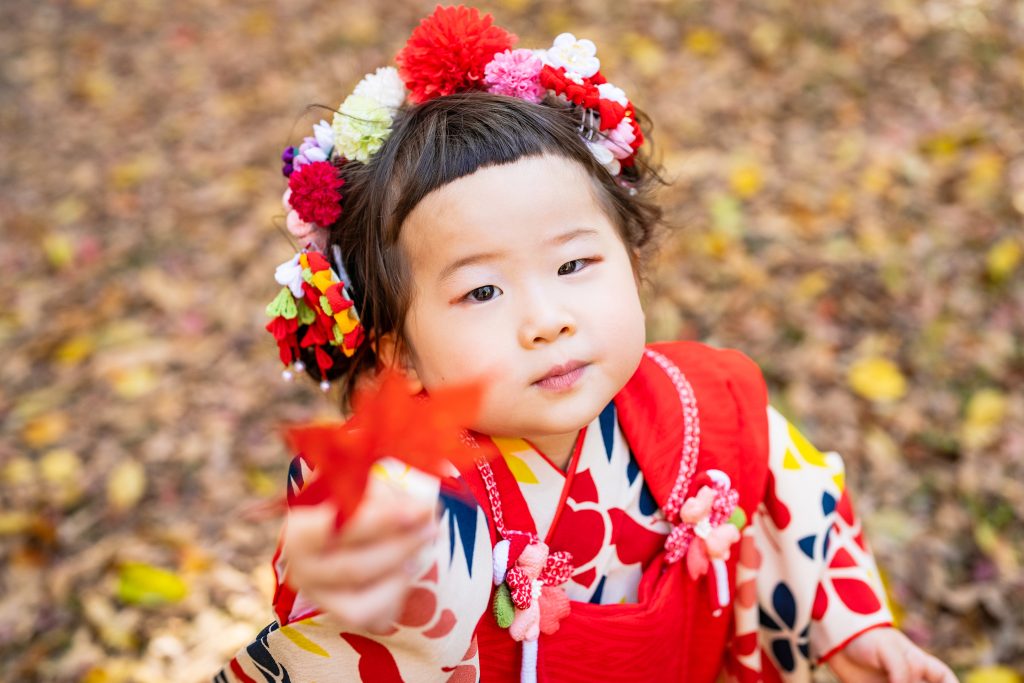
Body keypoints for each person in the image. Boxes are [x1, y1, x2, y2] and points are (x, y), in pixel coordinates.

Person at [219, 6, 956, 682]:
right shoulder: (415, 485)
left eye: (574, 264)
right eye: (482, 291)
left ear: (630, 262)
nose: (547, 319)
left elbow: (791, 497)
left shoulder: (706, 405)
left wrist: (852, 629)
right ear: (399, 350)